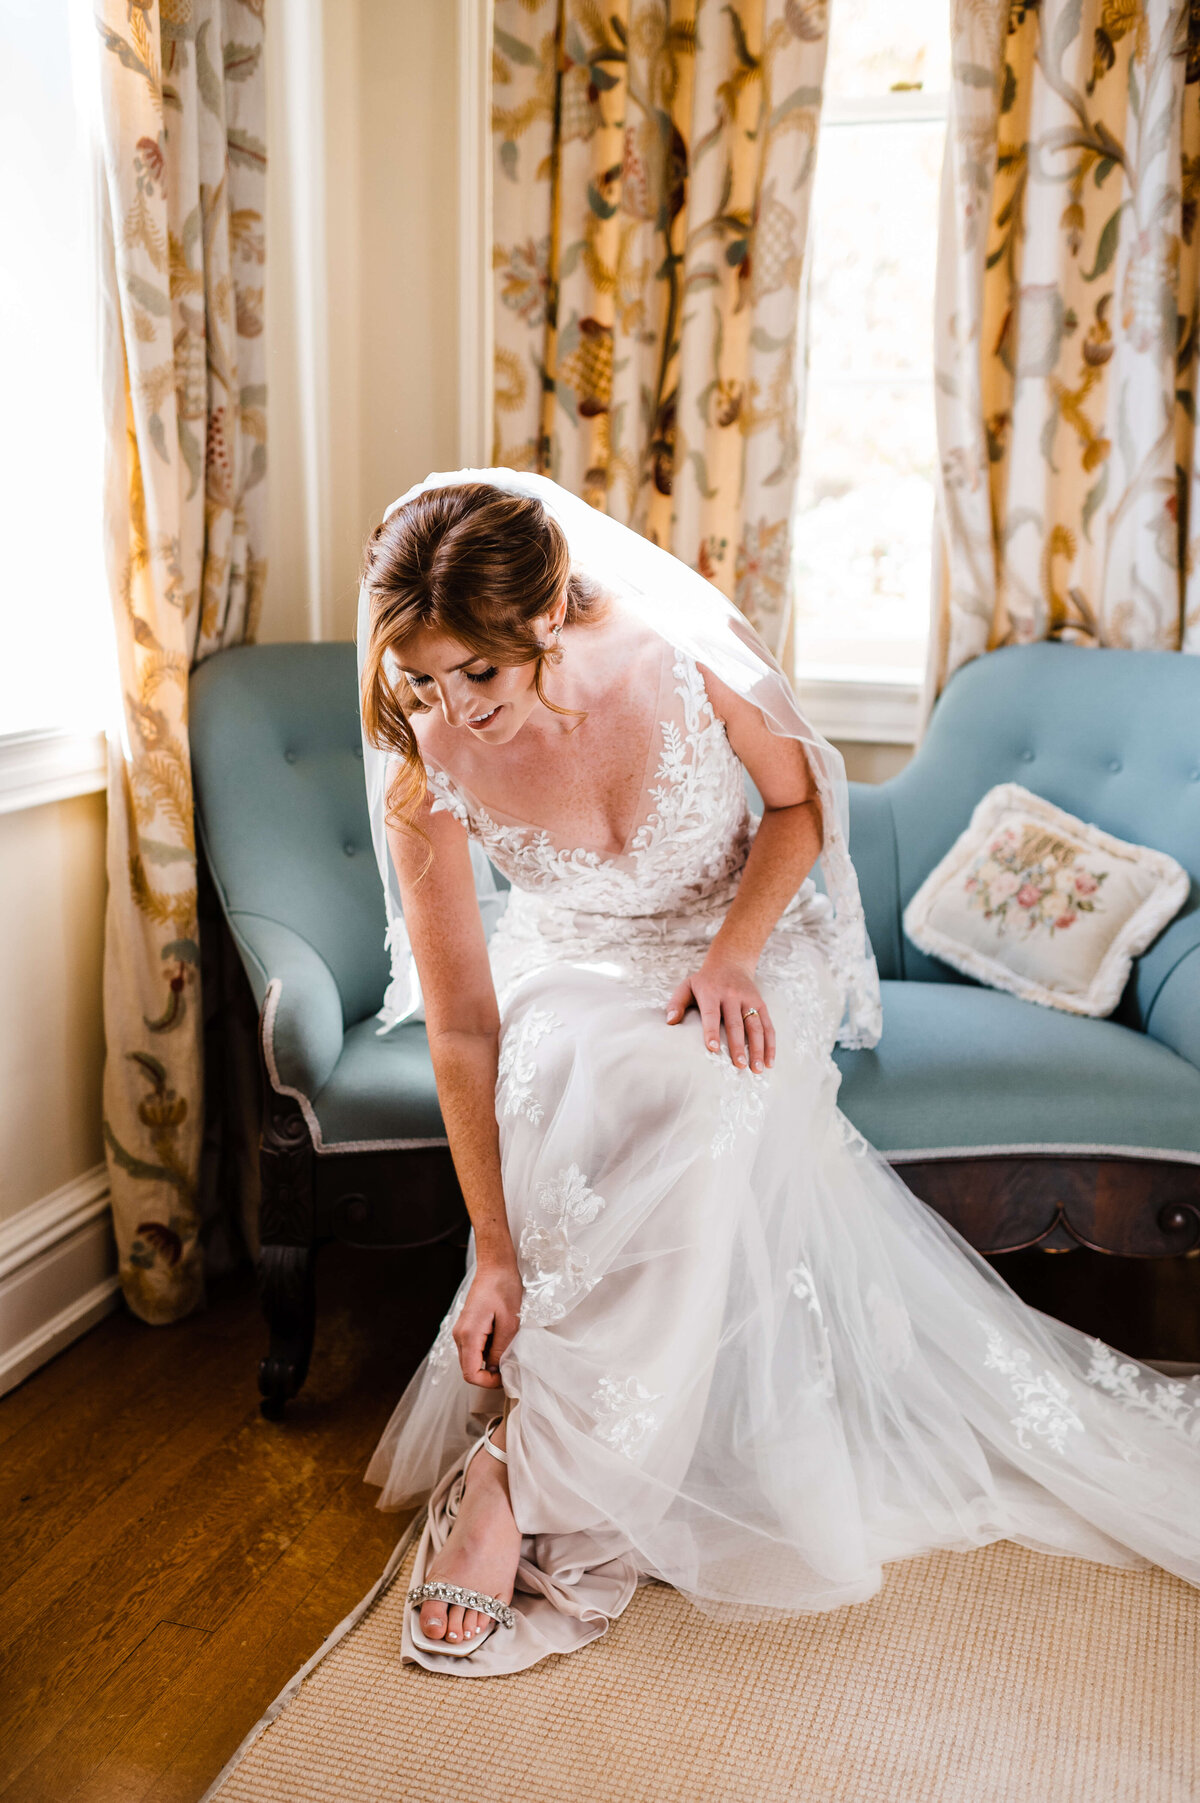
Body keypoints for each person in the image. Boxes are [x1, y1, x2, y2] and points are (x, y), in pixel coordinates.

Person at [357, 468, 1200, 1678]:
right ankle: (579, 1460)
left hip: (750, 941)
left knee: (706, 1085)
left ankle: (522, 1470)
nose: (455, 709)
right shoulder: (426, 776)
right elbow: (464, 1033)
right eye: (421, 680)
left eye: (477, 673)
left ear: (546, 618)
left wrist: (732, 957)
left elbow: (799, 811)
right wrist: (493, 1250)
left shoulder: (686, 656)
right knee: (585, 1082)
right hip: (582, 964)